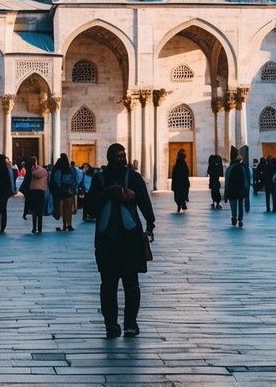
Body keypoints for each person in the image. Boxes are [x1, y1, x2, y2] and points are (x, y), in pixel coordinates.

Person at [85, 143, 155, 338]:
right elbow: (89, 206)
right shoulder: (100, 179)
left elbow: (144, 201)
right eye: (117, 156)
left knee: (130, 284)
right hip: (109, 241)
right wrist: (107, 194)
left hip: (128, 240)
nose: (121, 160)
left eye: (123, 156)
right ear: (109, 158)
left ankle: (130, 323)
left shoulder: (132, 178)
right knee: (109, 284)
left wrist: (150, 222)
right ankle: (111, 325)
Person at [51, 153, 77, 232]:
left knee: (63, 209)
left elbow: (56, 180)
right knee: (69, 209)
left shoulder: (58, 170)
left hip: (61, 191)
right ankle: (69, 224)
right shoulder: (70, 170)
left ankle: (64, 225)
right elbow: (75, 180)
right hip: (69, 191)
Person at [223, 152, 250, 227]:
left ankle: (234, 216)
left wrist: (226, 192)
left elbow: (227, 181)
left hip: (231, 188)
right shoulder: (244, 167)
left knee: (233, 203)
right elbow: (246, 180)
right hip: (241, 189)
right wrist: (246, 190)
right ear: (241, 160)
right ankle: (240, 219)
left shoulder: (229, 168)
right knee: (240, 204)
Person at [25, 156, 49, 235]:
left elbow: (35, 175)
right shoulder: (35, 170)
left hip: (38, 192)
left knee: (37, 211)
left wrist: (30, 169)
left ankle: (38, 228)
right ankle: (36, 227)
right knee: (35, 211)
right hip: (35, 192)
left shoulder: (40, 170)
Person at [171, 149, 190, 213]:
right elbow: (187, 173)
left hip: (178, 182)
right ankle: (182, 204)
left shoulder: (177, 164)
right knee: (182, 194)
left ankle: (180, 204)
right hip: (182, 182)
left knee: (178, 195)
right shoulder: (183, 164)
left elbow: (174, 175)